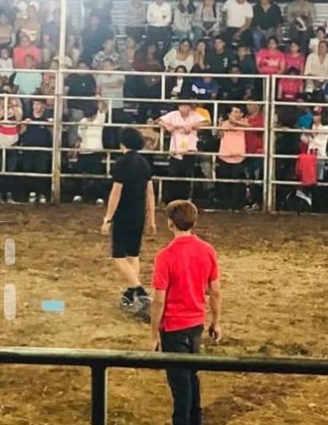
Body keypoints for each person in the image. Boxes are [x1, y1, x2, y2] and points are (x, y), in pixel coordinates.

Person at [150, 200, 221, 425]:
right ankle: (195, 419)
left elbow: (159, 300)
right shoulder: (207, 250)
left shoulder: (165, 256)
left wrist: (153, 333)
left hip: (173, 326)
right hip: (195, 323)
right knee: (191, 376)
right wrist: (216, 321)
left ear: (170, 222)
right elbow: (215, 292)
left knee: (180, 383)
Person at [100, 127, 156, 313]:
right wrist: (152, 218)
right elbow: (150, 193)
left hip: (124, 214)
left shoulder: (121, 163)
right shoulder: (144, 163)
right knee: (133, 254)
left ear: (122, 143)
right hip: (139, 213)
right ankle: (131, 293)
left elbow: (115, 193)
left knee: (118, 256)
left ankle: (139, 291)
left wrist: (108, 218)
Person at [158, 102, 209, 202]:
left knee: (187, 176)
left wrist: (193, 125)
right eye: (182, 106)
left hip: (190, 149)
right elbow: (159, 120)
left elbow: (206, 122)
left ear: (190, 107)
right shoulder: (173, 114)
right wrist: (167, 125)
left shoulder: (195, 115)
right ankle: (171, 199)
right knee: (173, 175)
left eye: (186, 106)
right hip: (175, 149)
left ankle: (184, 199)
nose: (184, 108)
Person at [217, 105, 248, 210]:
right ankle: (225, 204)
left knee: (237, 182)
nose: (233, 114)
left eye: (236, 112)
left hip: (238, 156)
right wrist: (220, 125)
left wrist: (235, 123)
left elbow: (249, 126)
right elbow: (219, 136)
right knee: (225, 181)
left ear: (241, 114)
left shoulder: (244, 122)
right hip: (224, 155)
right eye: (232, 112)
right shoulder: (225, 124)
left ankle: (236, 204)